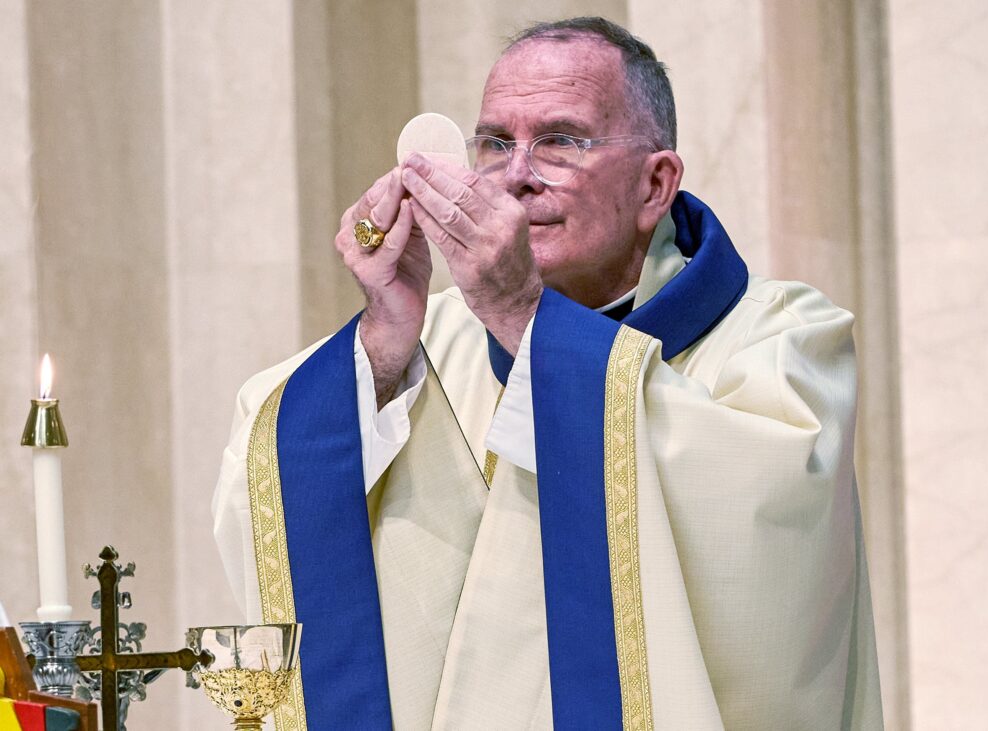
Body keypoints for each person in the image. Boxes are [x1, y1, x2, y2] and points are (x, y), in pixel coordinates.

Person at [213, 16, 882, 730]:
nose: (518, 174)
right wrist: (381, 339)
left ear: (656, 184)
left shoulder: (780, 337)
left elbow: (768, 547)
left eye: (560, 141)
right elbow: (264, 486)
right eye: (495, 143)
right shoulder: (422, 336)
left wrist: (524, 316)